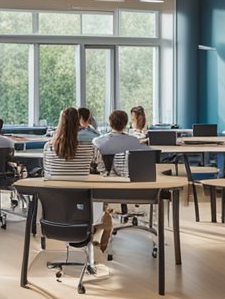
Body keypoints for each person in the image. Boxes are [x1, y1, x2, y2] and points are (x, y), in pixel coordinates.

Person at [43, 107, 110, 250]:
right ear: (78, 123)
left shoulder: (48, 147)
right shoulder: (90, 147)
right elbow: (104, 171)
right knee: (105, 212)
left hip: (54, 212)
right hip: (84, 211)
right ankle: (97, 246)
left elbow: (47, 175)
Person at [93, 109, 147, 174]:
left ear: (110, 123)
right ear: (125, 124)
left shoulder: (97, 142)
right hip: (129, 178)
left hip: (103, 179)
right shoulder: (134, 141)